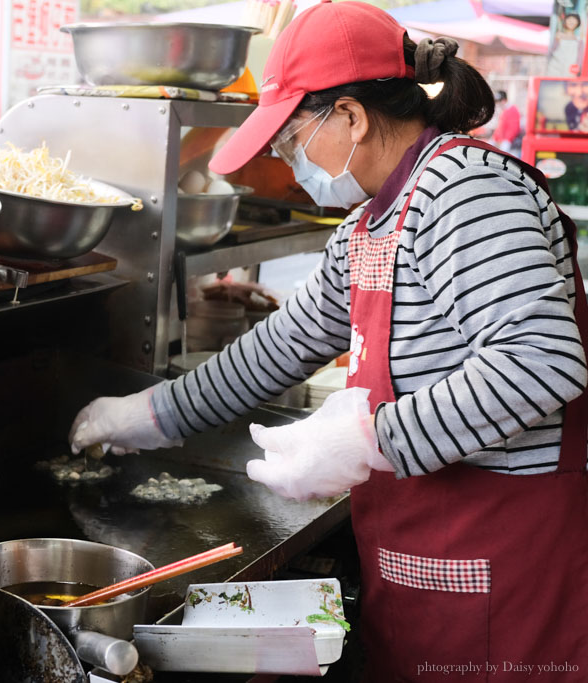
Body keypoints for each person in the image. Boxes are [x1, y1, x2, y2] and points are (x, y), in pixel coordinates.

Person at [68, 1, 588, 680]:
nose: (288, 163)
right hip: (422, 567)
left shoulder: (466, 192)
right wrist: (150, 414)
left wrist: (372, 438)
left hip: (506, 576)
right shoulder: (372, 223)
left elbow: (541, 359)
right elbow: (279, 346)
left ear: (350, 115)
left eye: (290, 139)